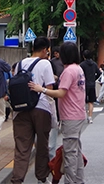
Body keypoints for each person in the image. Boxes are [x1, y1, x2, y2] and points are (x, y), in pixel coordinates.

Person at [30, 42, 87, 184]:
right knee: (76, 150)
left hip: (70, 116)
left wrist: (41, 89)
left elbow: (61, 93)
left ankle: (70, 181)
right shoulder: (78, 69)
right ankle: (79, 180)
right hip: (79, 114)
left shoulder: (68, 71)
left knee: (70, 152)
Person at [10, 36, 55, 184]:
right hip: (41, 108)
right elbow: (49, 89)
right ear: (44, 50)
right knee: (42, 145)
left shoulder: (20, 64)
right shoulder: (45, 64)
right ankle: (42, 177)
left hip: (20, 110)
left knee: (22, 147)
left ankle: (17, 179)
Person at [80, 49, 100, 123]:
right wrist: (94, 79)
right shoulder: (94, 64)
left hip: (84, 85)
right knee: (91, 102)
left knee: (82, 101)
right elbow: (99, 73)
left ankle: (83, 116)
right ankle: (90, 117)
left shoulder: (82, 65)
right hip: (92, 84)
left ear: (83, 56)